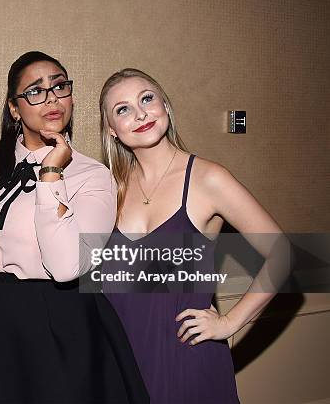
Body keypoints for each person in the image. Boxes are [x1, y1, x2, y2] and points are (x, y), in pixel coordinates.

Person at [0, 51, 149, 403]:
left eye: (59, 86)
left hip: (60, 324)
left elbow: (68, 266)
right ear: (14, 108)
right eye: (35, 91)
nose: (51, 98)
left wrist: (51, 173)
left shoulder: (92, 177)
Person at [98, 68, 284, 403]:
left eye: (147, 99)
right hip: (121, 363)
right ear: (112, 130)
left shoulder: (208, 179)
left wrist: (229, 323)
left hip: (186, 360)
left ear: (165, 106)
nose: (140, 113)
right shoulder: (109, 189)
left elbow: (283, 254)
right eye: (122, 109)